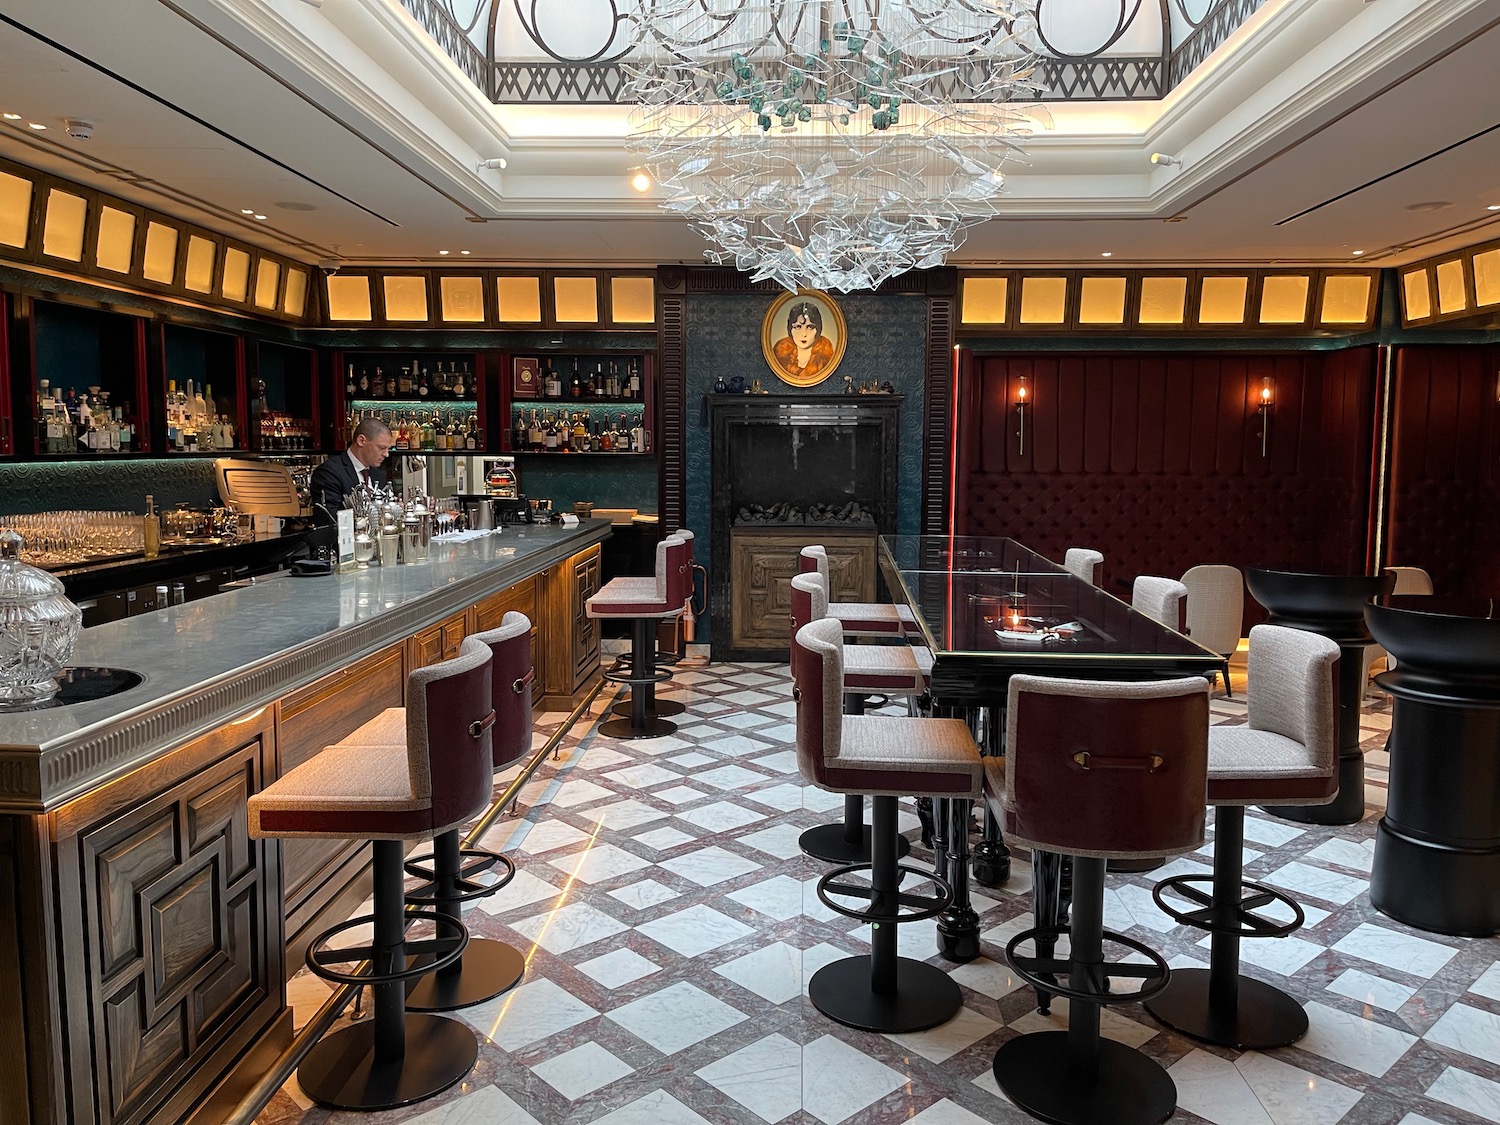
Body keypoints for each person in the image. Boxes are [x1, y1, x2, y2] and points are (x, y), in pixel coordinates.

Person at [309, 417, 392, 523]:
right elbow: (330, 519)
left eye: (388, 449)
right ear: (361, 441)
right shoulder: (328, 473)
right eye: (381, 448)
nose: (386, 454)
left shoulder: (378, 475)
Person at [772, 300, 835, 382]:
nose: (804, 334)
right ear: (790, 329)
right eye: (798, 327)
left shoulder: (827, 357)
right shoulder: (780, 355)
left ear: (818, 329)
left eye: (810, 327)